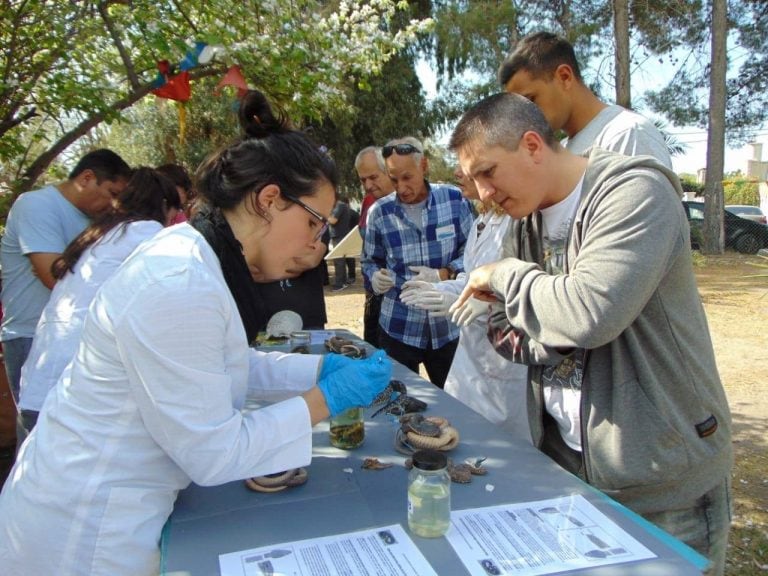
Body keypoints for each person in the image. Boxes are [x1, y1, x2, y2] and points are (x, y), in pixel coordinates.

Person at [0, 90, 392, 576]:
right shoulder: (179, 281)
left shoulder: (197, 256)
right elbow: (215, 453)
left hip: (112, 503)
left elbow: (223, 363)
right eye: (316, 224)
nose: (318, 242)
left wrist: (320, 366)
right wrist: (325, 399)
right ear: (270, 200)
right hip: (85, 530)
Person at [448, 93, 732, 574]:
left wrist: (504, 277)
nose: (481, 193)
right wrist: (554, 325)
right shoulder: (526, 219)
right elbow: (503, 328)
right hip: (570, 467)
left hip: (663, 482)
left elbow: (590, 312)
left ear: (533, 145)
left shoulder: (635, 192)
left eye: (487, 171)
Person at [16, 168, 181, 435]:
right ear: (163, 205)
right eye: (175, 212)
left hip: (38, 385)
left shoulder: (100, 234)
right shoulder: (146, 232)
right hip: (70, 392)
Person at [399, 168, 530, 440]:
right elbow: (472, 278)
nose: (457, 172)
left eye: (467, 166)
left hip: (504, 368)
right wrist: (441, 288)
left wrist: (487, 305)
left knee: (503, 450)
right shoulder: (483, 219)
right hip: (470, 366)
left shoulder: (517, 223)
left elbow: (527, 291)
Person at [0, 149, 132, 406]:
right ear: (86, 178)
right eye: (112, 194)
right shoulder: (36, 205)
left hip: (75, 336)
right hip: (32, 336)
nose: (114, 204)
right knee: (36, 428)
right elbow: (54, 277)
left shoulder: (98, 221)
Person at [361, 136, 474, 388]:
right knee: (399, 401)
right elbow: (369, 261)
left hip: (447, 328)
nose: (401, 188)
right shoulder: (380, 213)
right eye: (393, 179)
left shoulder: (454, 201)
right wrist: (374, 277)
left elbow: (474, 254)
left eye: (407, 177)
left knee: (456, 404)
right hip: (399, 328)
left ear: (423, 166)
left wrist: (445, 273)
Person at [499, 31, 672, 166]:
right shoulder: (562, 151)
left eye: (531, 100)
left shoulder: (628, 134)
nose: (527, 116)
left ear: (565, 77)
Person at [355, 146, 395, 347]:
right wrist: (373, 275)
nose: (368, 185)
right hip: (378, 296)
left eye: (373, 177)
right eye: (363, 180)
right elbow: (367, 255)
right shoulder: (369, 204)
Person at [328, 194, 356, 291]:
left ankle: (339, 284)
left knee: (338, 261)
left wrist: (323, 214)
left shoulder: (339, 206)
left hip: (339, 236)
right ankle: (342, 282)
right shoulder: (342, 206)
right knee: (341, 261)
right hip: (340, 235)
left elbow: (333, 220)